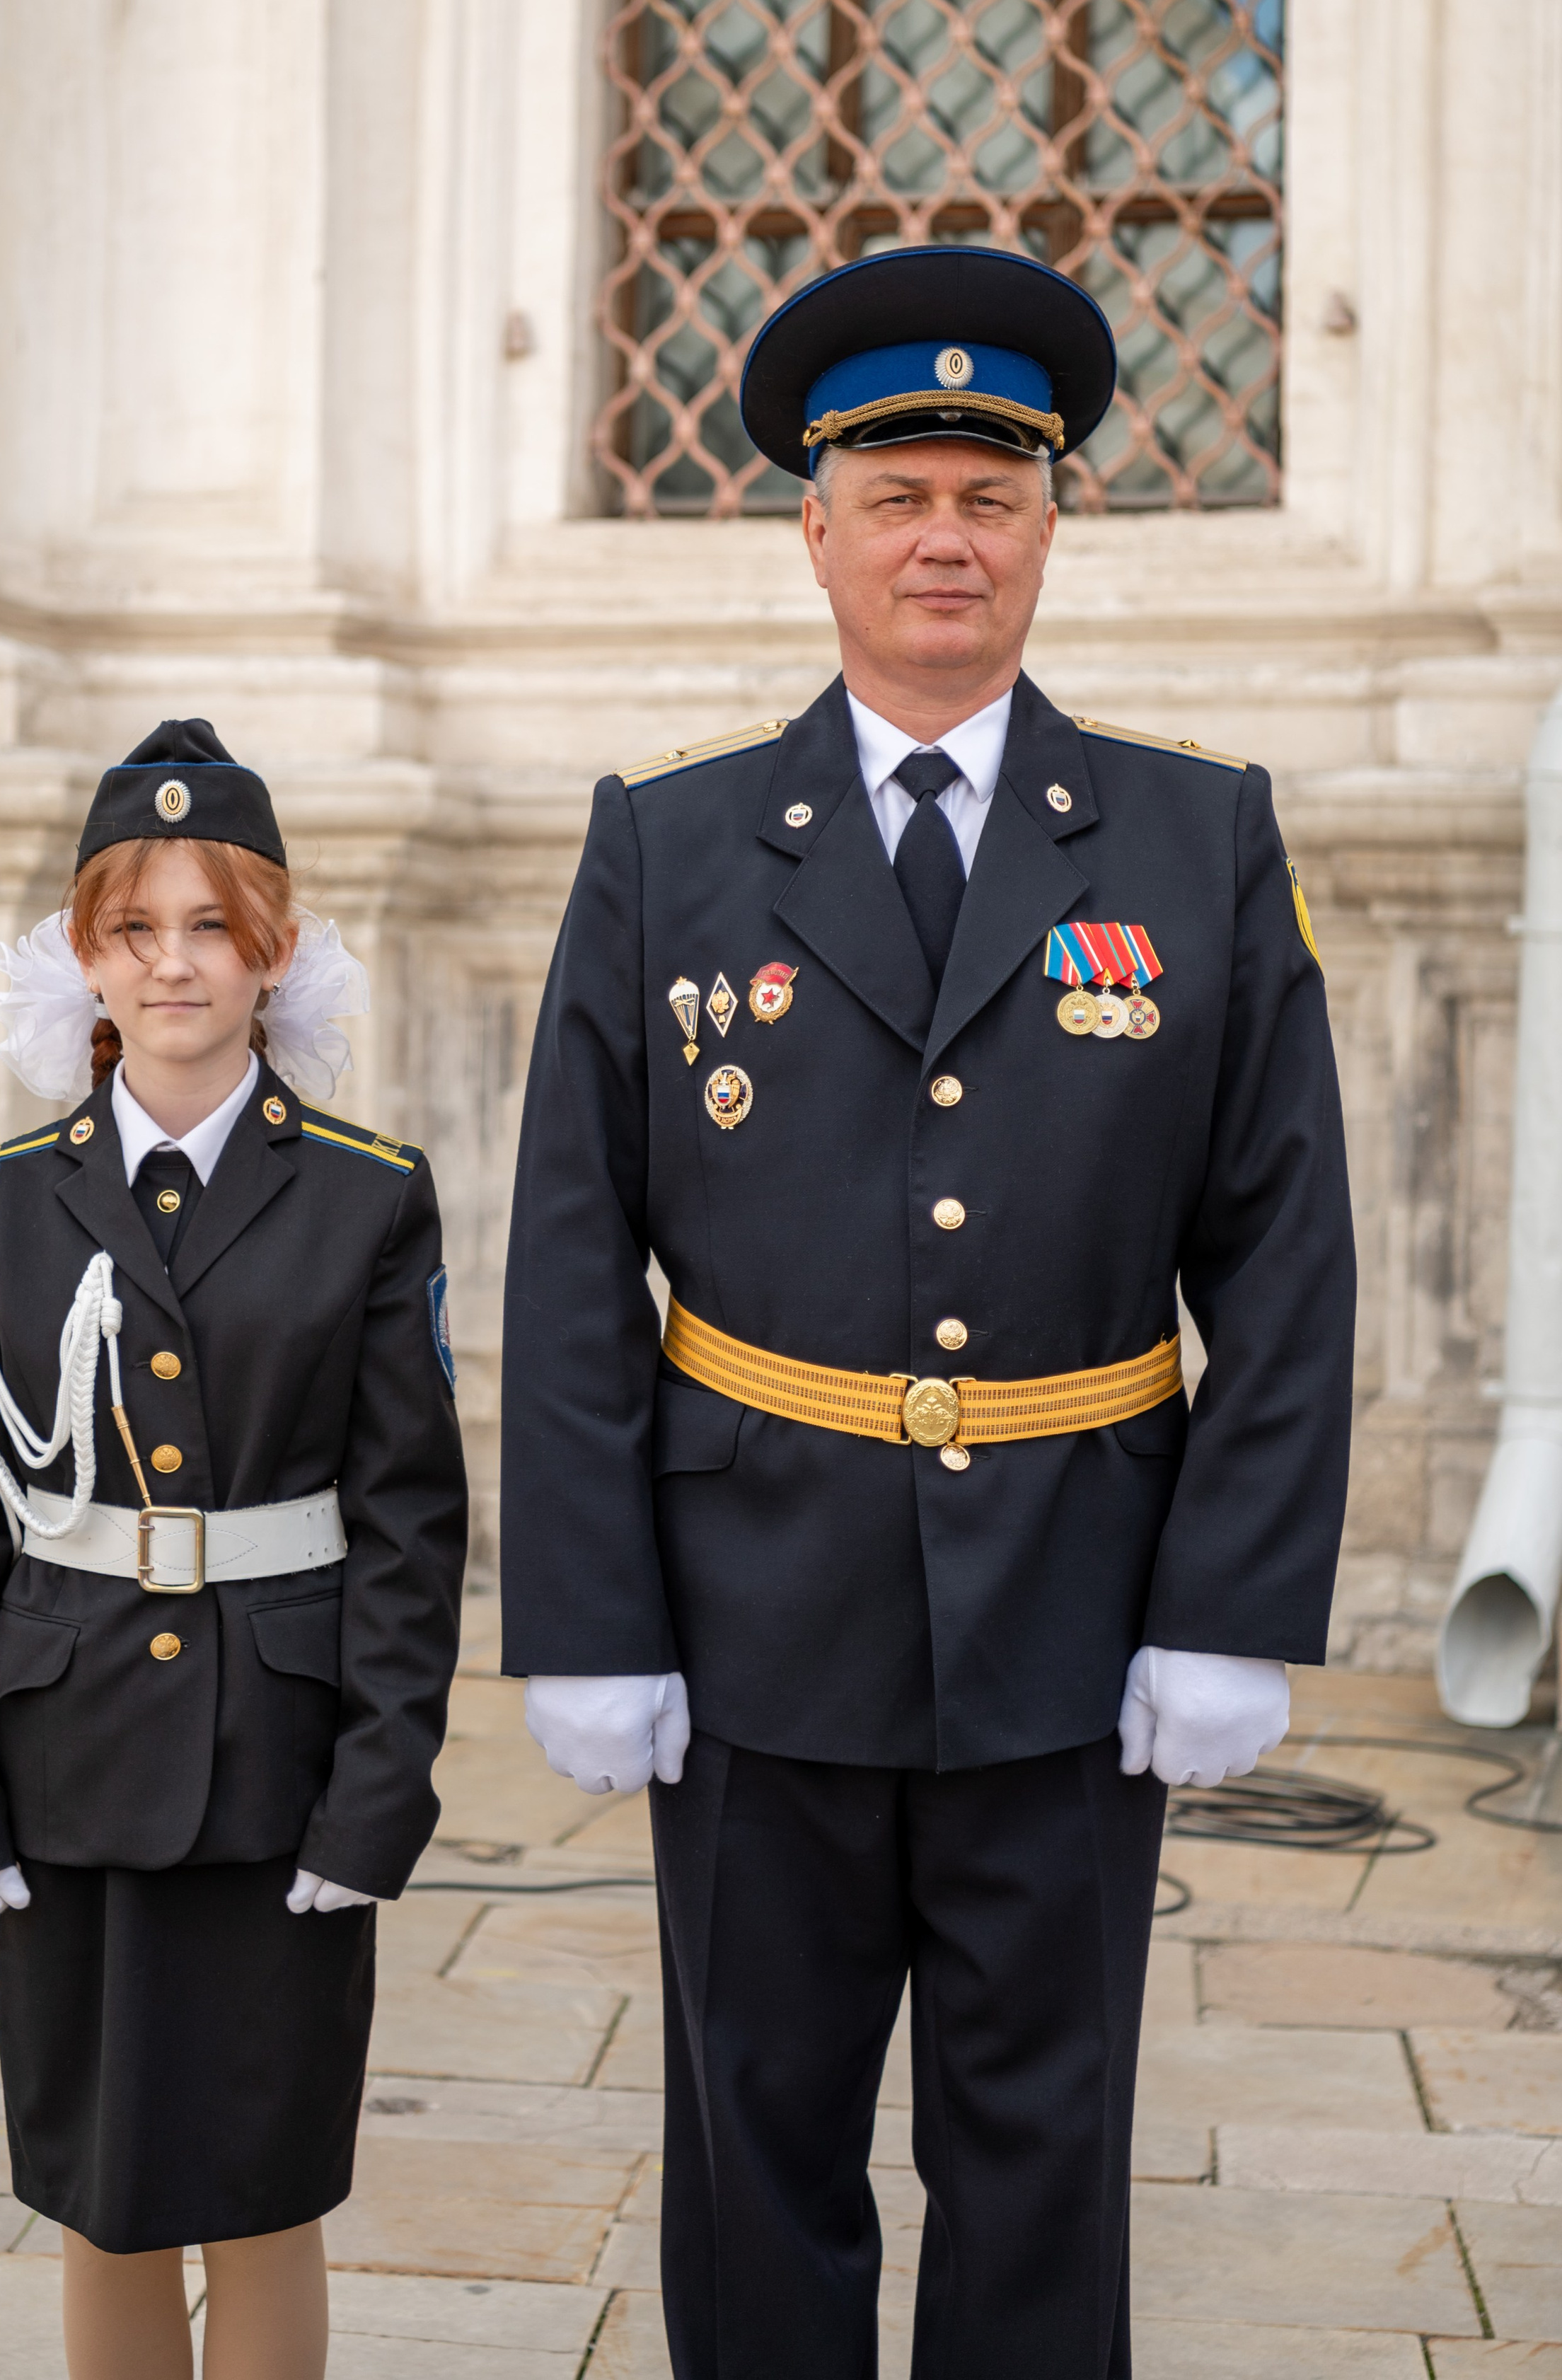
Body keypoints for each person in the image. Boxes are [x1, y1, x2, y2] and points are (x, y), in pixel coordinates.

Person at [499, 247, 1355, 2378]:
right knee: (754, 2139)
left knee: (1044, 2150)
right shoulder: (670, 839)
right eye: (897, 494)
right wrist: (588, 1611)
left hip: (1077, 1609)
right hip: (757, 1599)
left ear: (1055, 521)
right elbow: (573, 1251)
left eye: (991, 487)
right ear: (817, 527)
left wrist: (1231, 1599)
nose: (945, 531)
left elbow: (1285, 1242)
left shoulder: (1197, 836)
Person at [0, 721, 467, 2380]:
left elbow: (410, 1523)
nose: (172, 964)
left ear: (271, 949)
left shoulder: (363, 1195)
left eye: (210, 925)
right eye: (134, 927)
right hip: (64, 1744)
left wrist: (380, 1795)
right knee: (101, 2180)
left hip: (276, 1763)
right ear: (84, 951)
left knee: (263, 2175)